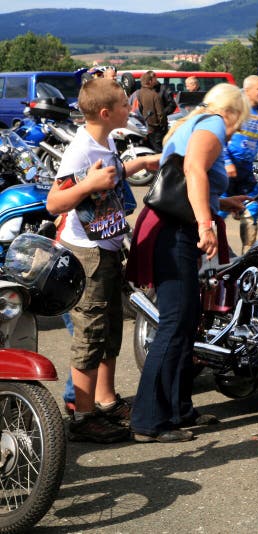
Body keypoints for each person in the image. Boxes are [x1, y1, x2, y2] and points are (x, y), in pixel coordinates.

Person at [127, 83, 250, 443]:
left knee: (186, 320)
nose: (236, 128)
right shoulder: (212, 123)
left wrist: (220, 204)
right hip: (175, 228)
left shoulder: (191, 121)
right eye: (239, 120)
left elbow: (180, 176)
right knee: (175, 322)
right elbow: (194, 170)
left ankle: (179, 409)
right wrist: (205, 223)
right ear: (233, 112)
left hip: (169, 224)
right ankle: (148, 420)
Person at [46, 78, 160, 443]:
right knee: (90, 334)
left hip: (107, 248)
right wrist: (88, 185)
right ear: (108, 113)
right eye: (127, 106)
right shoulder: (80, 149)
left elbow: (109, 177)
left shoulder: (106, 140)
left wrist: (140, 163)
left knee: (111, 328)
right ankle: (82, 417)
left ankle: (106, 401)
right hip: (86, 253)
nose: (133, 109)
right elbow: (55, 202)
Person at [219, 75, 258, 253]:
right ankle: (204, 246)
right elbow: (220, 136)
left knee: (252, 207)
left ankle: (246, 253)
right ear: (247, 91)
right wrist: (226, 162)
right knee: (218, 209)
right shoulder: (236, 110)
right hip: (227, 170)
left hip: (246, 170)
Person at [138, 71, 167, 151]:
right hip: (157, 128)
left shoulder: (139, 93)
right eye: (154, 80)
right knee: (160, 150)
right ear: (150, 81)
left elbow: (140, 108)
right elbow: (160, 113)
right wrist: (163, 125)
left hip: (147, 126)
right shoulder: (155, 95)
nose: (156, 81)